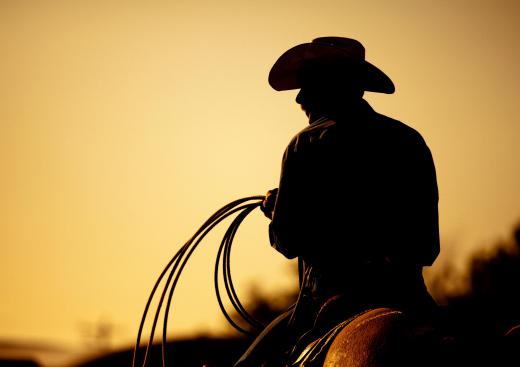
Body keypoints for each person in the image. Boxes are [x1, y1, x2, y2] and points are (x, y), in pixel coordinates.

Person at [235, 37, 441, 367]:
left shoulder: (305, 144)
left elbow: (288, 240)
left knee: (248, 363)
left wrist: (277, 213)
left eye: (307, 86)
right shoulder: (410, 140)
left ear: (328, 87)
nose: (299, 98)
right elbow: (427, 246)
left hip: (329, 302)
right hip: (411, 297)